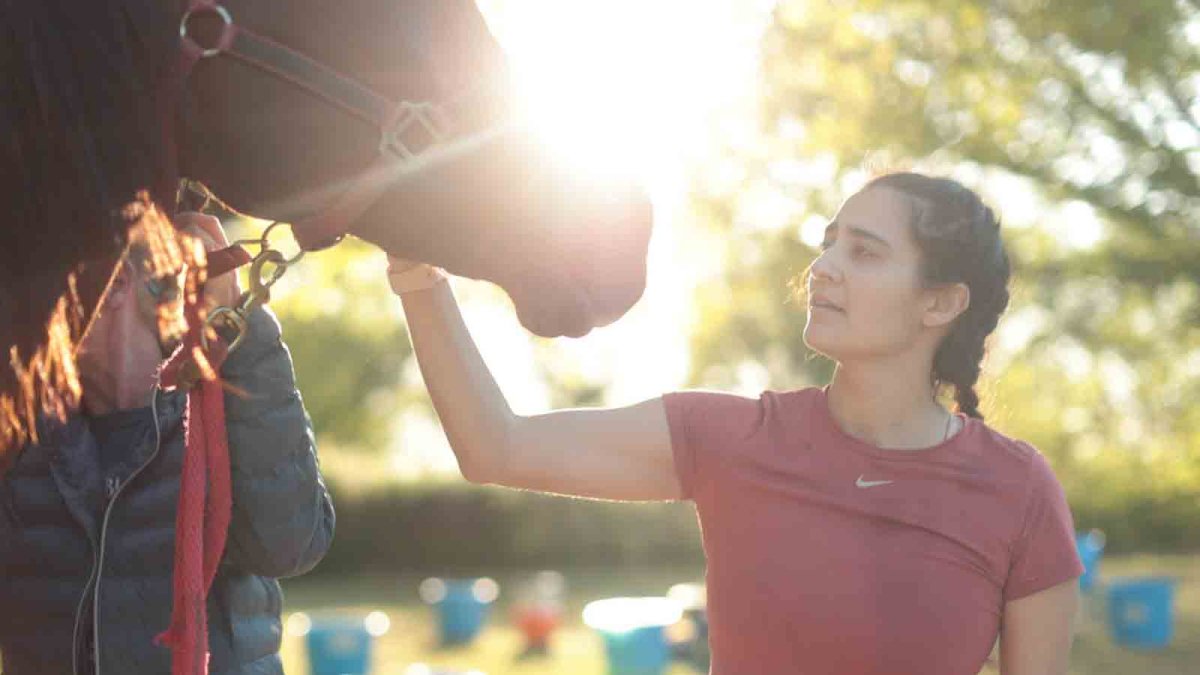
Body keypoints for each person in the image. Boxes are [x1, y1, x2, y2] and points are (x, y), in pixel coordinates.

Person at [386, 171, 1084, 674]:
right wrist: (416, 268)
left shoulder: (1016, 488)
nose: (823, 267)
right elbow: (495, 444)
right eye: (829, 242)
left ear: (940, 303)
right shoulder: (728, 438)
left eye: (863, 252)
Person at [0, 212, 335, 674]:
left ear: (113, 285)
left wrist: (243, 334)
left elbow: (288, 545)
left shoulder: (221, 405)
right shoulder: (22, 435)